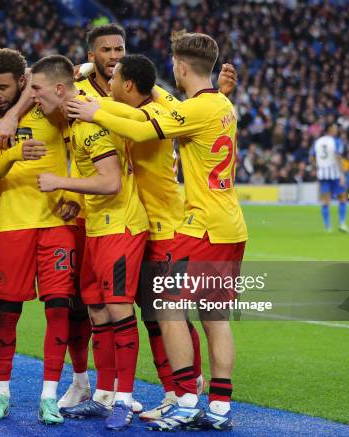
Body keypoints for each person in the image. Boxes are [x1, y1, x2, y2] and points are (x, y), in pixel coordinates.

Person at [67, 32, 248, 431]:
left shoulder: (191, 108)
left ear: (180, 68)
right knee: (214, 316)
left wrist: (93, 112)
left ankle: (183, 399)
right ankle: (217, 407)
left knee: (166, 309)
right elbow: (143, 115)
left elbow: (144, 128)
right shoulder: (220, 104)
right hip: (229, 223)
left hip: (198, 225)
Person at [32, 55, 149, 431]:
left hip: (121, 227)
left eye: (37, 89)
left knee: (118, 311)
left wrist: (60, 182)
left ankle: (125, 400)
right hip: (97, 227)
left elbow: (111, 181)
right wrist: (76, 200)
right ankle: (104, 394)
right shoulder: (73, 118)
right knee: (97, 312)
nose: (32, 97)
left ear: (60, 90)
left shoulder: (86, 124)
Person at [0, 48, 77, 425]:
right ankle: (1, 392)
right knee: (8, 311)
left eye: (3, 87)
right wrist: (17, 150)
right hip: (13, 225)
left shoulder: (53, 106)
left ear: (23, 83)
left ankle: (49, 395)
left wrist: (75, 194)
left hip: (56, 224)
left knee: (59, 308)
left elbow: (82, 153)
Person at [311, 123, 349, 232]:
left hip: (322, 174)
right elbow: (338, 156)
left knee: (325, 201)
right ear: (330, 130)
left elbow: (311, 157)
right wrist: (342, 174)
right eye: (335, 128)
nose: (336, 130)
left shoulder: (317, 142)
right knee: (342, 198)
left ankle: (327, 227)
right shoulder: (336, 141)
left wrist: (318, 167)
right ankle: (342, 223)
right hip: (335, 174)